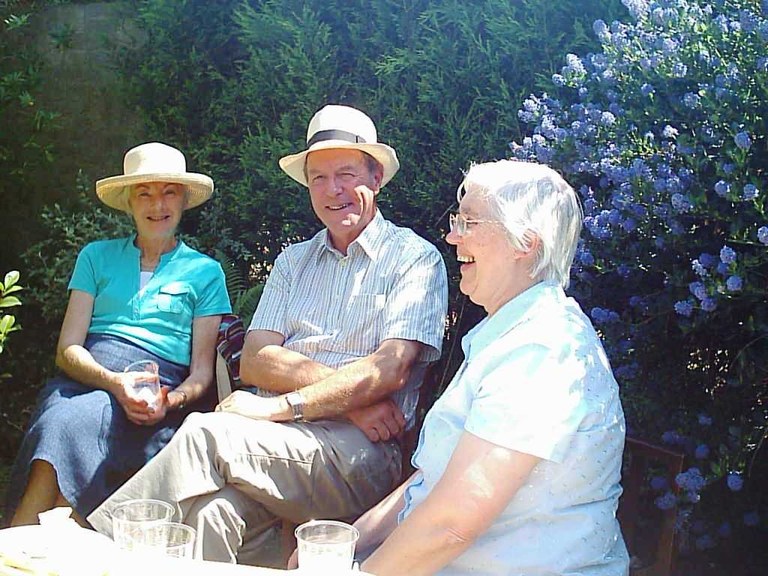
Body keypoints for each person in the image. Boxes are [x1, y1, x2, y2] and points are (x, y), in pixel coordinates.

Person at [87, 104, 449, 566]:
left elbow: (389, 369)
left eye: (346, 174)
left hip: (363, 455)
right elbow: (256, 360)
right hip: (281, 442)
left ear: (376, 178)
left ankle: (90, 552)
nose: (332, 190)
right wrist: (350, 398)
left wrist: (281, 405)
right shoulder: (293, 262)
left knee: (205, 434)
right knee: (213, 514)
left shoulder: (415, 260)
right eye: (318, 178)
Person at [348, 160, 629, 575]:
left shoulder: (540, 351)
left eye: (470, 222)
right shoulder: (514, 334)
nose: (452, 236)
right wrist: (349, 541)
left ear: (525, 242)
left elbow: (451, 525)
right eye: (457, 221)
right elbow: (432, 482)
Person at [5, 142, 232, 526]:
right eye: (144, 193)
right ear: (128, 202)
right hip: (87, 378)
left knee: (72, 424)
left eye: (169, 192)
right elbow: (68, 348)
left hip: (154, 397)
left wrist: (170, 400)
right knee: (59, 421)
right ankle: (29, 546)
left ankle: (23, 544)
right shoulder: (95, 256)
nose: (157, 204)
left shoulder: (205, 272)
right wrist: (113, 382)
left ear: (183, 201)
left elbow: (201, 373)